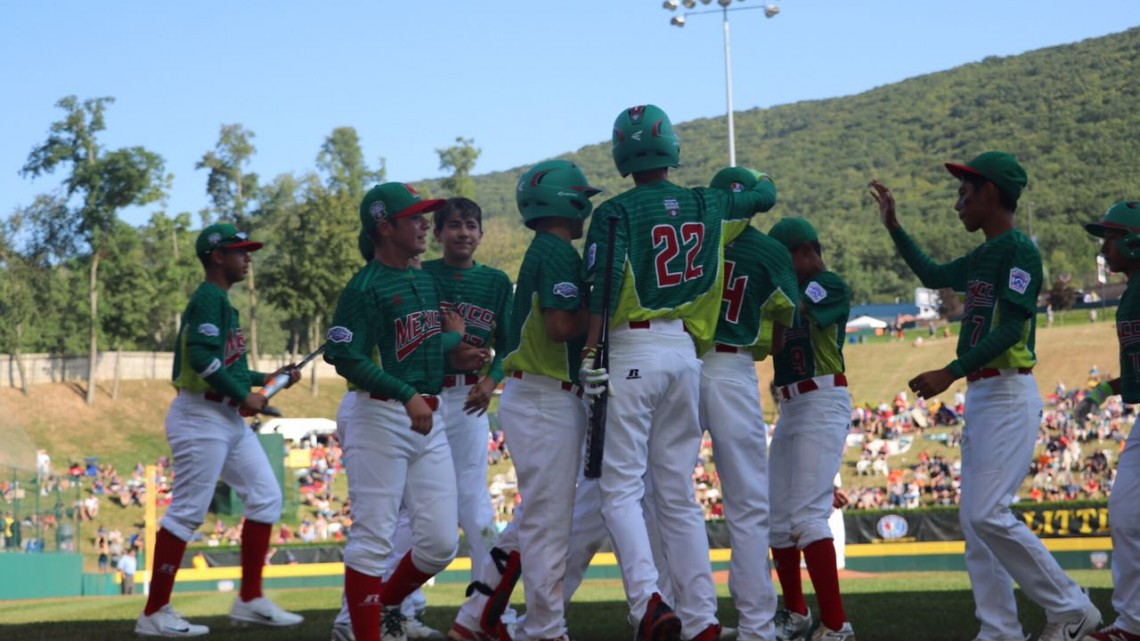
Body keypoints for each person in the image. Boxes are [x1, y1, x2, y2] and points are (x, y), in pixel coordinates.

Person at [870, 152, 1100, 641]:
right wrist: (894, 226)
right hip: (985, 393)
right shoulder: (984, 254)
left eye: (964, 192)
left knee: (985, 513)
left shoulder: (1018, 248)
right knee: (975, 526)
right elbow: (932, 275)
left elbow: (1014, 325)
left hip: (1007, 391)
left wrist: (950, 371)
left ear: (990, 192)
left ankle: (1072, 608)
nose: (958, 203)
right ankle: (999, 630)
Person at [581, 104, 776, 641]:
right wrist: (751, 184)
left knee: (620, 490)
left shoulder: (615, 212)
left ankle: (649, 602)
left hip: (630, 347)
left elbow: (599, 290)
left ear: (622, 152)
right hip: (685, 354)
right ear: (672, 147)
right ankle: (704, 619)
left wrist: (590, 355)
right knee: (676, 494)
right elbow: (763, 193)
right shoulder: (706, 202)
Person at [447, 160, 601, 641]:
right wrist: (602, 311)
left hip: (542, 394)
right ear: (563, 201)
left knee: (536, 520)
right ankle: (545, 629)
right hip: (543, 394)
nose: (586, 205)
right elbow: (560, 327)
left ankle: (474, 618)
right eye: (581, 197)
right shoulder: (555, 251)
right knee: (547, 526)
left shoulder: (551, 249)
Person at [325, 182, 481, 641]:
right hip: (380, 415)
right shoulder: (364, 287)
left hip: (426, 414)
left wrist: (457, 347)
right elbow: (345, 358)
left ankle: (383, 609)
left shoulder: (422, 279)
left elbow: (422, 347)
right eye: (414, 217)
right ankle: (364, 631)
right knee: (373, 538)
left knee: (438, 544)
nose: (423, 225)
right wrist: (404, 392)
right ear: (384, 226)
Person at [134, 223, 304, 638]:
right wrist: (245, 397)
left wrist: (269, 375)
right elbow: (202, 358)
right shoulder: (209, 297)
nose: (248, 257)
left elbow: (227, 366)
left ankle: (249, 599)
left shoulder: (221, 301)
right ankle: (154, 612)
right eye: (240, 251)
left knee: (265, 498)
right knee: (188, 511)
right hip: (200, 416)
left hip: (223, 417)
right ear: (216, 256)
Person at [698, 167, 799, 641]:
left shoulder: (694, 238)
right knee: (748, 502)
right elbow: (780, 336)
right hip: (733, 366)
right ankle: (758, 624)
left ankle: (686, 615)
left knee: (669, 496)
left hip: (682, 360)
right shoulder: (772, 251)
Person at [765, 217, 855, 641]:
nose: (779, 268)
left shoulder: (828, 283)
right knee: (778, 518)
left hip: (821, 397)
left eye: (783, 259)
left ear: (804, 252)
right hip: (792, 404)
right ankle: (797, 613)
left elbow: (797, 313)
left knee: (806, 516)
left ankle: (836, 625)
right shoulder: (791, 289)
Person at [421, 196, 513, 595]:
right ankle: (401, 609)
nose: (463, 232)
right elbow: (405, 343)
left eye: (471, 225)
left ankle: (487, 603)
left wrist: (490, 380)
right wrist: (449, 347)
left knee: (475, 500)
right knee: (417, 505)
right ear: (437, 234)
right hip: (422, 396)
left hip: (469, 399)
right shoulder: (420, 275)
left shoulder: (494, 282)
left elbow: (509, 344)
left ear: (481, 233)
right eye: (454, 225)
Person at [1075, 200, 1140, 641]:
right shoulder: (1129, 292)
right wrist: (1102, 391)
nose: (1104, 246)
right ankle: (1132, 624)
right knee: (1125, 513)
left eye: (1112, 237)